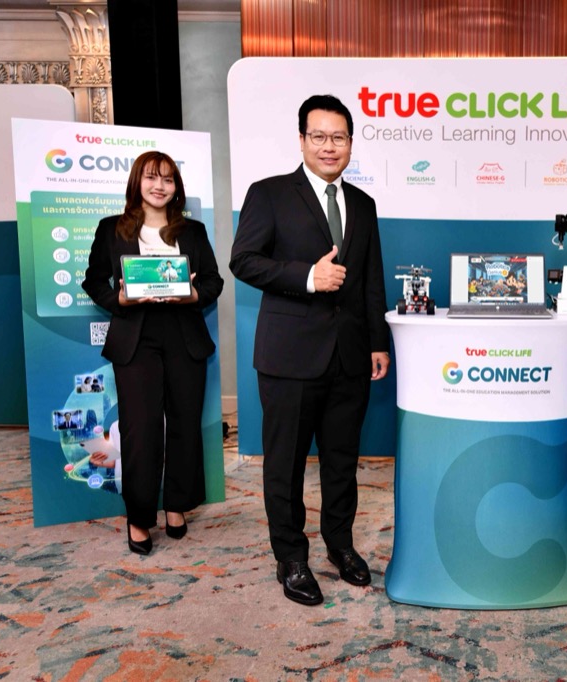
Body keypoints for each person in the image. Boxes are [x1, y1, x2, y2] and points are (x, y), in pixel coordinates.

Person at [229, 94, 390, 606]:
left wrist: (377, 343)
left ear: (350, 143)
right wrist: (306, 277)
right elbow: (243, 260)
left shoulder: (363, 204)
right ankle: (291, 558)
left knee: (342, 461)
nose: (328, 146)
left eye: (338, 137)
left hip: (349, 356)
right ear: (301, 140)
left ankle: (339, 545)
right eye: (318, 136)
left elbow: (371, 279)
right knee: (286, 464)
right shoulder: (270, 193)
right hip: (289, 357)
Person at [82, 151, 223, 556]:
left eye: (167, 179)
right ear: (137, 183)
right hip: (136, 338)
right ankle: (139, 517)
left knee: (184, 424)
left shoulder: (193, 232)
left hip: (184, 335)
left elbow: (213, 282)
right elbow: (93, 280)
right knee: (140, 431)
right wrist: (119, 299)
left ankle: (176, 505)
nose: (159, 186)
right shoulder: (112, 229)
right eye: (151, 177)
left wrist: (193, 294)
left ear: (176, 187)